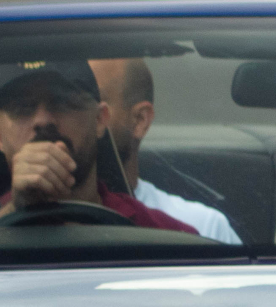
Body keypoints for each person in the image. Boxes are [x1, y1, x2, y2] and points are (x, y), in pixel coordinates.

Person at [0, 67, 197, 236]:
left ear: (100, 120)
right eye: (23, 108)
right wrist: (17, 210)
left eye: (63, 102)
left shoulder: (162, 232)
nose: (43, 120)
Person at [90, 57, 242, 242]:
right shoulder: (45, 217)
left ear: (139, 120)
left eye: (92, 101)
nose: (50, 119)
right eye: (60, 103)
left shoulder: (203, 228)